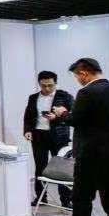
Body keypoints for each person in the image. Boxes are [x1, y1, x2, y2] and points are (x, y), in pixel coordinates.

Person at [44, 58, 109, 216]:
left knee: (82, 199)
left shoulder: (87, 92)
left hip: (90, 155)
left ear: (84, 73)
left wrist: (62, 113)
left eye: (77, 76)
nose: (78, 80)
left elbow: (76, 120)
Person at [23, 70, 74, 208]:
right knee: (40, 167)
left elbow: (74, 115)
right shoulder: (33, 98)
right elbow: (28, 116)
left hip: (59, 137)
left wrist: (57, 116)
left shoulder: (65, 96)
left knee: (62, 169)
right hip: (39, 136)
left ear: (55, 83)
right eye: (43, 85)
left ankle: (66, 200)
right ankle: (41, 198)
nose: (46, 88)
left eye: (50, 85)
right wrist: (27, 130)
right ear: (39, 84)